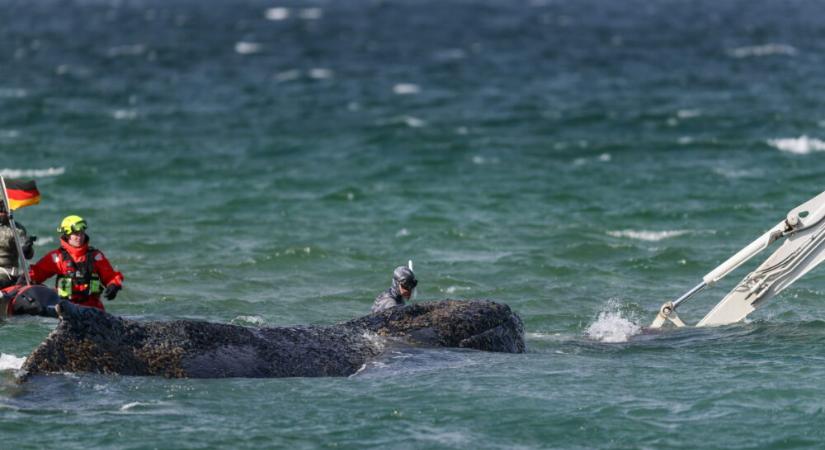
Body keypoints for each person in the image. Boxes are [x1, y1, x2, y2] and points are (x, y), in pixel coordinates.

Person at [29, 215, 123, 311]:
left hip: (93, 308)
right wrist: (22, 280)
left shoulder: (96, 256)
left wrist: (113, 285)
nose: (80, 237)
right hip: (67, 307)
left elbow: (110, 276)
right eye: (76, 234)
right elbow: (36, 274)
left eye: (82, 233)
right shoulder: (57, 257)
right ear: (67, 235)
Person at [0, 200, 35, 289]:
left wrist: (27, 248)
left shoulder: (16, 229)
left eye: (4, 208)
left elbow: (28, 255)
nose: (2, 211)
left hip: (6, 273)